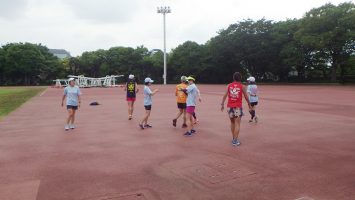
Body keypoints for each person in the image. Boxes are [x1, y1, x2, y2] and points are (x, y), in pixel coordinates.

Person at [221, 72, 251, 146]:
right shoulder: (242, 86)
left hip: (230, 107)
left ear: (233, 78)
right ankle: (235, 140)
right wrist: (249, 104)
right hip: (237, 107)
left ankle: (233, 138)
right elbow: (246, 97)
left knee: (232, 122)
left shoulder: (229, 85)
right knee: (237, 123)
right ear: (240, 78)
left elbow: (225, 95)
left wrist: (222, 104)